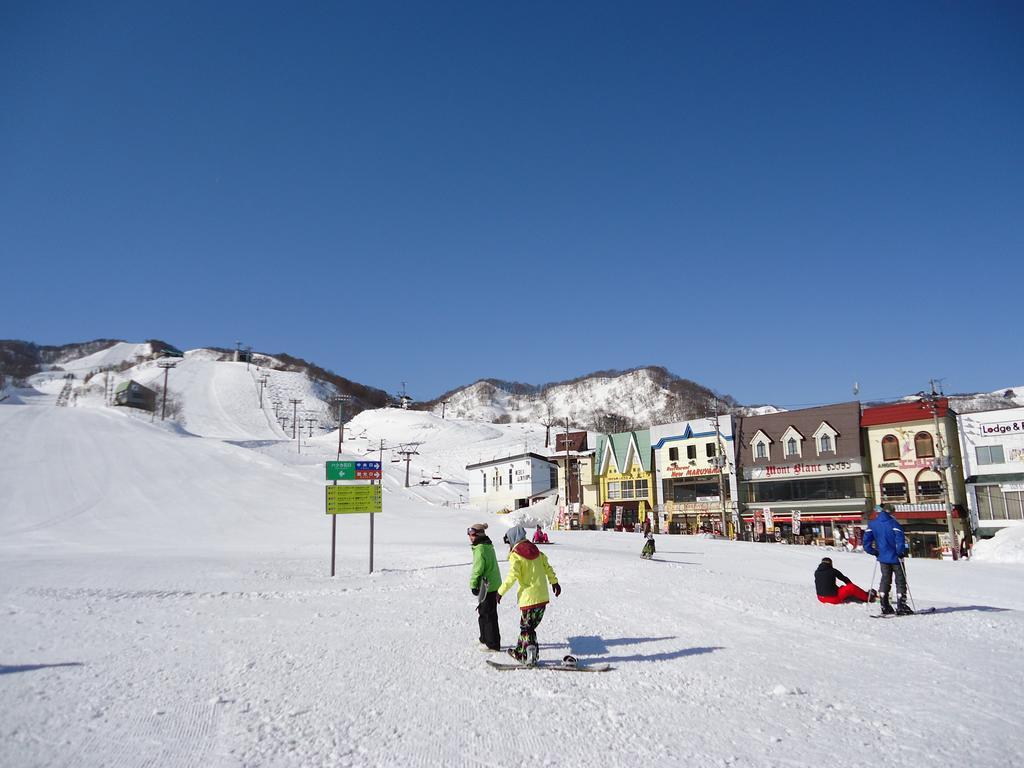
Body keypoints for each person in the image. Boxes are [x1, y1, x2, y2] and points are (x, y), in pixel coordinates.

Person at [498, 525, 561, 666]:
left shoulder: (516, 555)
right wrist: (554, 582)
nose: (509, 545)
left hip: (529, 599)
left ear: (513, 539)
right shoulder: (537, 551)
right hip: (542, 597)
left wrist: (500, 592)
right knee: (528, 627)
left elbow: (512, 576)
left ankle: (528, 655)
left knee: (526, 628)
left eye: (509, 542)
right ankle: (523, 652)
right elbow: (547, 567)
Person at [863, 505, 913, 615]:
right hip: (895, 557)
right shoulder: (894, 524)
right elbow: (900, 541)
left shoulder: (873, 524)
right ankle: (901, 605)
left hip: (882, 557)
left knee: (885, 579)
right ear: (891, 512)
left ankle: (884, 605)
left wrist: (874, 552)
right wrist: (900, 552)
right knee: (900, 580)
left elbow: (866, 543)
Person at [468, 523, 502, 652]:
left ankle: (492, 644)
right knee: (484, 612)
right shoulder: (487, 546)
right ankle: (484, 638)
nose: (470, 537)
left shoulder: (481, 548)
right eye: (469, 535)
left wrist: (473, 584)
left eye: (472, 534)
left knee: (488, 615)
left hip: (488, 585)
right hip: (491, 584)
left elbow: (478, 568)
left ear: (478, 535)